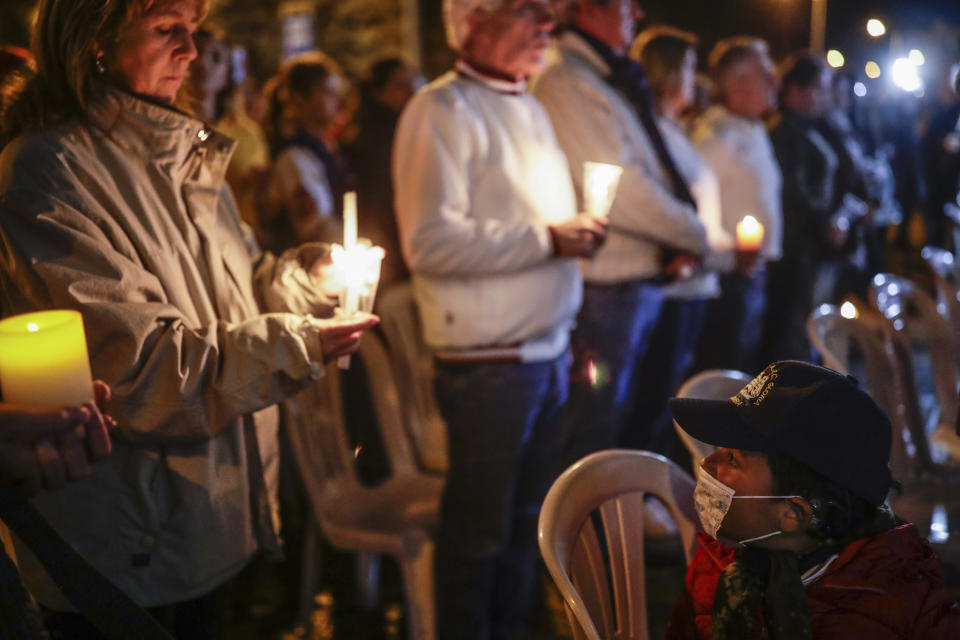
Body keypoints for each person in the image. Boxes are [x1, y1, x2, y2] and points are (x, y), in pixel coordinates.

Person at [0, 1, 377, 638]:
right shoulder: (49, 172)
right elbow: (143, 370)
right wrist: (298, 344)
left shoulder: (185, 157)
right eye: (167, 28)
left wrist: (302, 280)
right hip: (128, 540)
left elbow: (242, 284)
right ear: (97, 37)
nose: (191, 52)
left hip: (211, 518)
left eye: (194, 31)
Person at [393, 0, 607, 637]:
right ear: (472, 22)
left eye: (549, 14)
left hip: (544, 351)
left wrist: (573, 243)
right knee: (479, 535)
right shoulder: (441, 110)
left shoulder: (532, 106)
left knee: (524, 528)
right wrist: (547, 239)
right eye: (526, 11)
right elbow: (430, 242)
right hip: (487, 363)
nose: (546, 25)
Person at [667, 360, 960, 639]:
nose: (706, 464)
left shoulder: (875, 614)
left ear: (793, 513)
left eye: (732, 458)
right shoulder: (722, 559)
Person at [532, 0, 707, 465]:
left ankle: (607, 521)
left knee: (617, 417)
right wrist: (693, 233)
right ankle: (581, 531)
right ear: (588, 9)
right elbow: (623, 185)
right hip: (605, 282)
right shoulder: (568, 81)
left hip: (633, 275)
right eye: (628, 5)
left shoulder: (607, 78)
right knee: (592, 424)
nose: (639, 14)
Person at [625, 27, 726, 458]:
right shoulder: (651, 133)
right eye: (686, 66)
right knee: (658, 394)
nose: (695, 76)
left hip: (697, 280)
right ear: (664, 72)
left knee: (675, 388)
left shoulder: (674, 130)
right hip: (675, 287)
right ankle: (645, 482)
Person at [691, 37, 782, 374]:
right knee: (722, 369)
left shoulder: (750, 129)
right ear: (736, 83)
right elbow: (694, 211)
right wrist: (726, 256)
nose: (775, 82)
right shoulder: (717, 138)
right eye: (765, 73)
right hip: (726, 278)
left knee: (742, 367)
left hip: (750, 272)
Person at [764, 52, 855, 362]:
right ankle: (788, 393)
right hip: (797, 246)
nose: (825, 97)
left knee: (806, 319)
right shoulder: (785, 132)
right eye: (819, 88)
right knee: (793, 324)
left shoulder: (811, 128)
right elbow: (794, 190)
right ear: (796, 90)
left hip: (812, 244)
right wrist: (825, 222)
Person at [343, 55, 423, 293]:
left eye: (412, 84)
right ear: (378, 92)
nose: (410, 92)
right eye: (400, 86)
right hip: (390, 248)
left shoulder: (402, 126)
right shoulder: (379, 137)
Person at [264, 51, 351, 252]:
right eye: (327, 93)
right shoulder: (294, 157)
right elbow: (316, 227)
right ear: (300, 98)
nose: (336, 102)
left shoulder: (324, 148)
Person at [190, 27, 270, 235]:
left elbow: (263, 197)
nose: (202, 64)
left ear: (227, 73)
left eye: (215, 57)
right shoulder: (172, 128)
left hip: (239, 237)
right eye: (197, 53)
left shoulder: (247, 133)